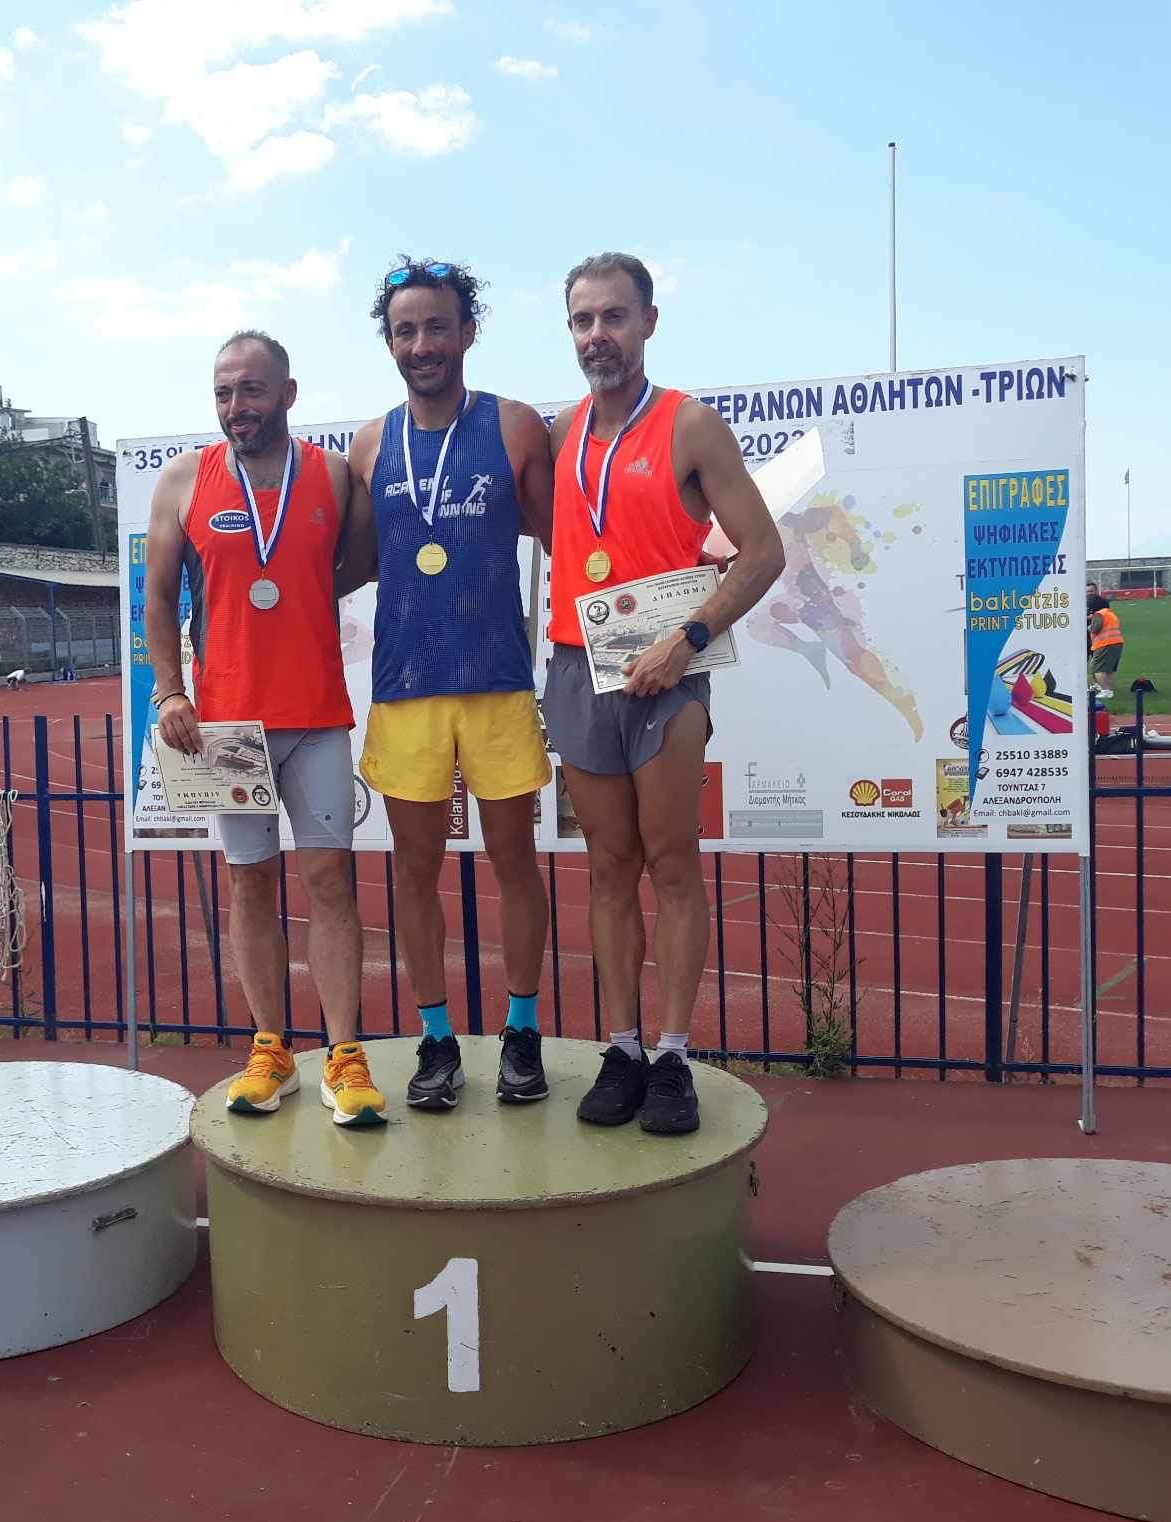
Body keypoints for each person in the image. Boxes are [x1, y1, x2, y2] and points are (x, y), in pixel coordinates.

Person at [543, 253, 785, 1133]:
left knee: (672, 861)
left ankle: (674, 1055)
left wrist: (687, 640)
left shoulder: (691, 425)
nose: (598, 335)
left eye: (614, 316)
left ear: (648, 321)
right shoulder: (561, 433)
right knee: (608, 866)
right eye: (583, 320)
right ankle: (622, 1049)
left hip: (670, 675)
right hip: (579, 667)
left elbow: (763, 551)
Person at [144, 331, 386, 1127]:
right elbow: (158, 597)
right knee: (249, 882)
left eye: (251, 390)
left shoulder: (334, 476)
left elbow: (356, 563)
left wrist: (299, 595)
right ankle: (271, 1049)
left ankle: (344, 1055)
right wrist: (170, 692)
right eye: (223, 393)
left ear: (287, 393)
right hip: (228, 725)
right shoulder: (184, 480)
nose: (235, 407)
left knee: (330, 882)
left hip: (314, 715)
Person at [341, 258, 556, 1110]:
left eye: (437, 326)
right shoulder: (369, 445)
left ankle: (522, 1030)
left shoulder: (515, 427)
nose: (422, 344)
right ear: (390, 343)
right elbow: (355, 562)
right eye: (406, 330)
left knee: (515, 861)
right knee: (413, 870)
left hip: (496, 678)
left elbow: (569, 537)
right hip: (405, 684)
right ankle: (435, 1040)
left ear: (468, 331)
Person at [1088, 593, 1122, 700]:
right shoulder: (1110, 613)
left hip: (1104, 643)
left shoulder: (1099, 614)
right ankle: (1109, 689)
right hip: (1117, 642)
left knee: (1096, 668)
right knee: (1109, 669)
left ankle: (1105, 690)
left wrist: (1090, 628)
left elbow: (1095, 629)